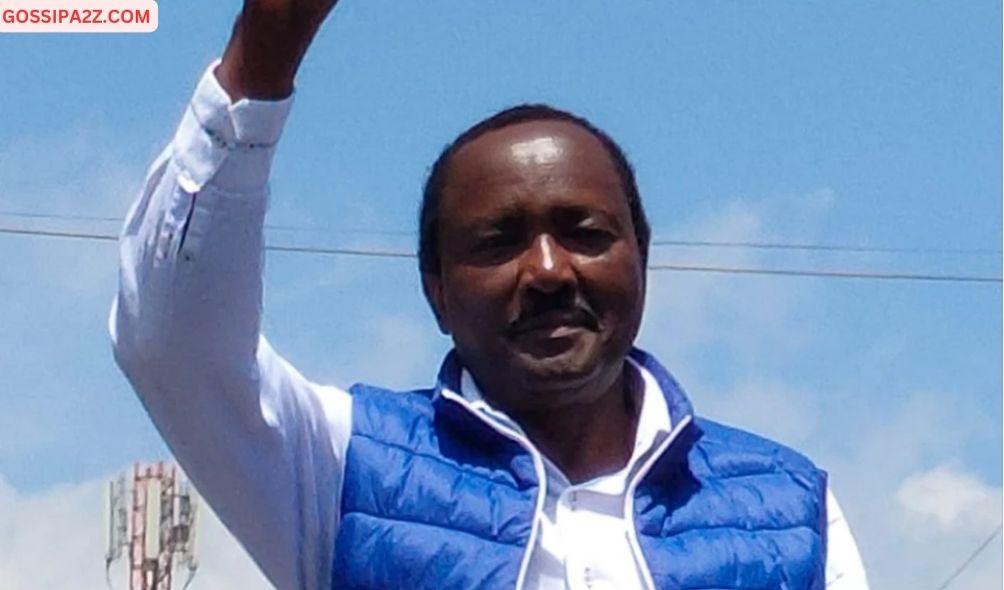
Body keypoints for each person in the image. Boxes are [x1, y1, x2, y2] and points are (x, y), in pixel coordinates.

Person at [110, 1, 870, 589]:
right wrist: (259, 65)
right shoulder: (348, 470)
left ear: (642, 258)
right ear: (436, 292)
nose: (547, 271)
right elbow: (176, 347)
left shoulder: (790, 509)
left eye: (583, 232)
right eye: (498, 243)